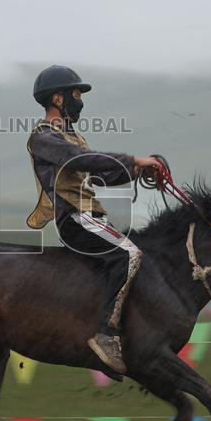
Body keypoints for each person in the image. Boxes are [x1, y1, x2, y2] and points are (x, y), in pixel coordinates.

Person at [25, 65, 163, 374]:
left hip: (91, 214)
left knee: (138, 254)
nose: (80, 101)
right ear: (57, 99)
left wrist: (136, 171)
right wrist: (132, 159)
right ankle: (105, 334)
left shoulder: (74, 136)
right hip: (75, 218)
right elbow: (80, 160)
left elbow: (98, 174)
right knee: (130, 254)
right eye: (75, 94)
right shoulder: (43, 137)